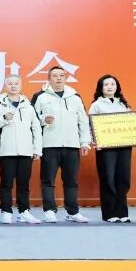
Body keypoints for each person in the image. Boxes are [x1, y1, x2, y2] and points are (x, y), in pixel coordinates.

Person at [32, 66, 92, 224]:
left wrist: (85, 142)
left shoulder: (75, 97)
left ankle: (73, 212)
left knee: (71, 181)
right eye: (54, 76)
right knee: (48, 180)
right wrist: (44, 120)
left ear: (65, 78)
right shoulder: (40, 97)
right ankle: (49, 211)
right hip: (49, 145)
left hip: (72, 145)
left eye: (61, 75)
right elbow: (32, 120)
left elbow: (83, 121)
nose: (58, 78)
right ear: (48, 79)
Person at [0, 75, 43, 224]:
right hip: (6, 151)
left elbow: (36, 128)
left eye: (16, 83)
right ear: (5, 86)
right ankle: (6, 212)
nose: (13, 86)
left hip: (26, 151)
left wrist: (37, 149)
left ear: (21, 85)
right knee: (7, 183)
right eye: (10, 84)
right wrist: (4, 118)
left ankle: (24, 212)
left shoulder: (28, 105)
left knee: (23, 183)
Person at [89, 75, 133, 223]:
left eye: (112, 84)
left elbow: (132, 125)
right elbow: (90, 125)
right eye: (106, 84)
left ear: (117, 87)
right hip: (106, 147)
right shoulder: (96, 105)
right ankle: (109, 213)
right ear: (101, 88)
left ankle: (122, 212)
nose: (109, 87)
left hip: (124, 146)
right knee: (108, 178)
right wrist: (94, 141)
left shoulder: (124, 104)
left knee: (123, 178)